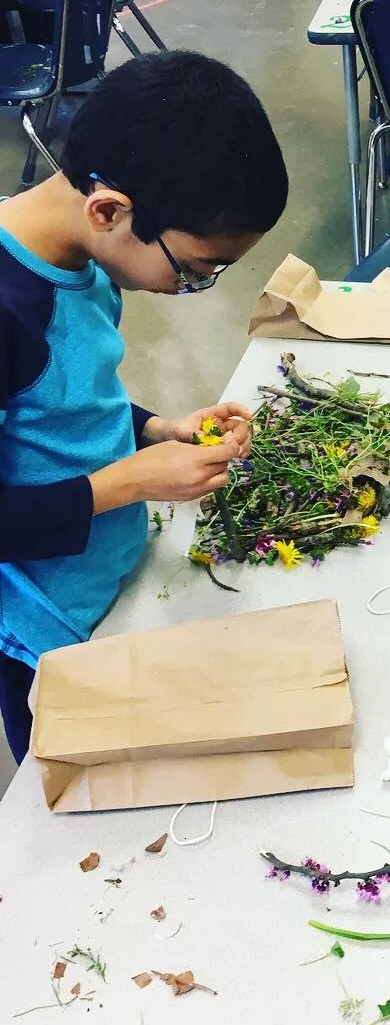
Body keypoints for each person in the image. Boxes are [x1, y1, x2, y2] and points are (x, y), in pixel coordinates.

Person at [0, 51, 288, 765]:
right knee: (81, 788)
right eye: (194, 270)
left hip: (103, 576)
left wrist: (158, 428)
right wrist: (131, 481)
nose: (199, 286)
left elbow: (66, 402)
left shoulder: (84, 262)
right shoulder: (8, 312)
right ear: (109, 209)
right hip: (36, 630)